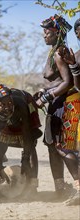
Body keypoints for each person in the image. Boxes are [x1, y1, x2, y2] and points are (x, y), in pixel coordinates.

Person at [33, 14, 77, 197]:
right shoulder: (53, 52)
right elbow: (56, 80)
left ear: (57, 33)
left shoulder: (60, 52)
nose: (44, 35)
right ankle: (60, 188)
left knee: (62, 146)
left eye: (47, 32)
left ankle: (79, 185)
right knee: (52, 146)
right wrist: (43, 91)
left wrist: (46, 96)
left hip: (63, 103)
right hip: (55, 103)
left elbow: (68, 82)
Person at [0, 84, 42, 199]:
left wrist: (25, 158)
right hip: (5, 125)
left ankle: (33, 187)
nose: (7, 107)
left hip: (24, 123)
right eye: (2, 105)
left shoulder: (20, 104)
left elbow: (26, 133)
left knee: (30, 148)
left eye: (9, 103)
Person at [58, 18, 80, 205]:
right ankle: (79, 187)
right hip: (75, 105)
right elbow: (77, 85)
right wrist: (73, 64)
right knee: (66, 146)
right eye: (79, 30)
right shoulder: (77, 55)